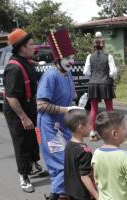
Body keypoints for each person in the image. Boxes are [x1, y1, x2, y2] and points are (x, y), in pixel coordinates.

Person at [36, 27, 83, 200]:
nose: (71, 61)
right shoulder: (50, 75)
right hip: (49, 127)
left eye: (72, 58)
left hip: (64, 126)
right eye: (67, 58)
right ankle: (56, 196)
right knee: (61, 165)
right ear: (58, 59)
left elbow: (70, 98)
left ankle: (62, 195)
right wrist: (66, 109)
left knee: (71, 162)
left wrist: (77, 105)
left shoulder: (67, 74)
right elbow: (41, 105)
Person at [3, 28, 43, 193]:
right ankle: (23, 176)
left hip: (29, 104)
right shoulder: (13, 68)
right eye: (31, 44)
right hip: (16, 109)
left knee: (34, 137)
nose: (34, 47)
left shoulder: (26, 62)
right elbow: (11, 97)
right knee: (21, 142)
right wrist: (23, 117)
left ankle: (33, 164)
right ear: (22, 48)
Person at [91, 112, 127, 200]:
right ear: (114, 134)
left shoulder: (96, 153)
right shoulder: (125, 157)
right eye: (123, 128)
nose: (126, 130)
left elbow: (97, 181)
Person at [83, 32, 117, 141]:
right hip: (105, 83)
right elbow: (113, 72)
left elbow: (86, 72)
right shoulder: (108, 56)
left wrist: (93, 76)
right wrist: (109, 77)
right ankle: (111, 131)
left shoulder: (89, 56)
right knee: (109, 109)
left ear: (94, 46)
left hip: (93, 83)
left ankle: (93, 132)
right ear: (103, 46)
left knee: (93, 109)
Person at [64, 109, 99, 200]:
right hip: (82, 194)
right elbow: (85, 177)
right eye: (89, 124)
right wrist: (97, 196)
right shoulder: (84, 151)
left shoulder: (68, 145)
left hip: (70, 190)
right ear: (81, 127)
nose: (91, 127)